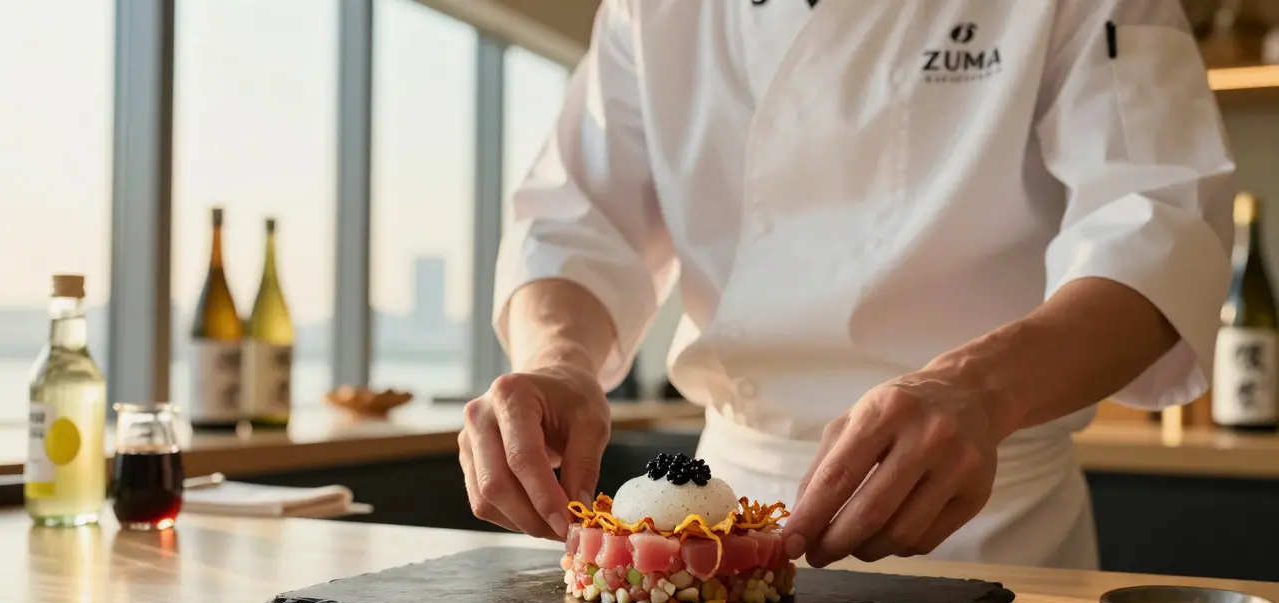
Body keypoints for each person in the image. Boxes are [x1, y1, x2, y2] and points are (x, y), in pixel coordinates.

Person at [459, 0, 1236, 570]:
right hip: (711, 532)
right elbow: (574, 226)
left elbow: (1159, 229)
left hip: (990, 529)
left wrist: (980, 389)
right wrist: (559, 361)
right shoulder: (650, 11)